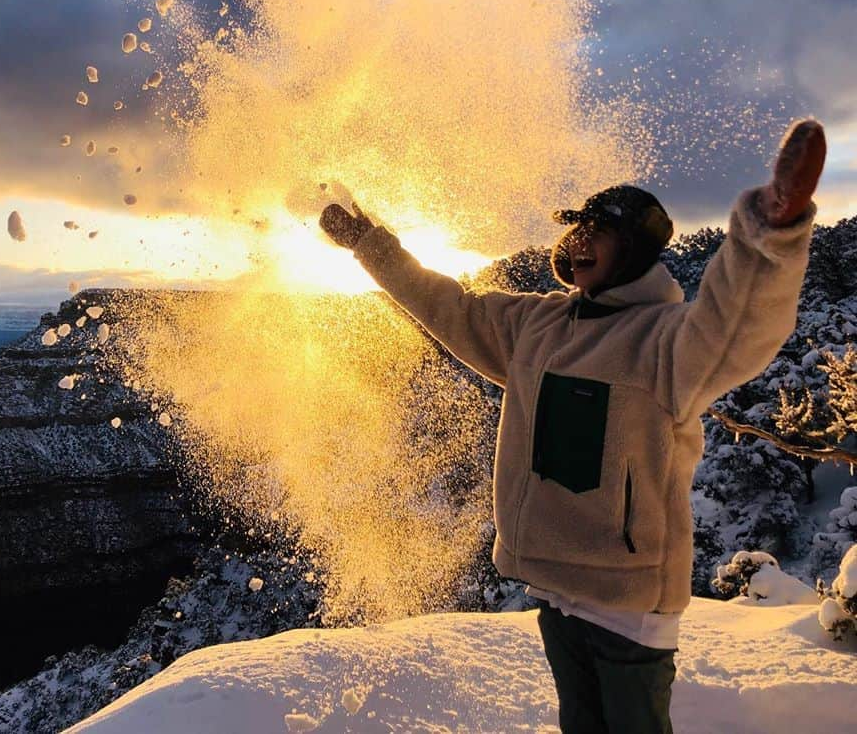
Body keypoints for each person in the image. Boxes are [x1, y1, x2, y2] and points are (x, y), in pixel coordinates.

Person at [320, 119, 827, 733]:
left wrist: (769, 234)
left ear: (633, 253)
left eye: (600, 232)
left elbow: (740, 326)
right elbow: (445, 304)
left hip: (629, 609)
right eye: (578, 227)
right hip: (557, 590)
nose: (580, 240)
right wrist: (370, 246)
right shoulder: (535, 325)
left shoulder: (668, 343)